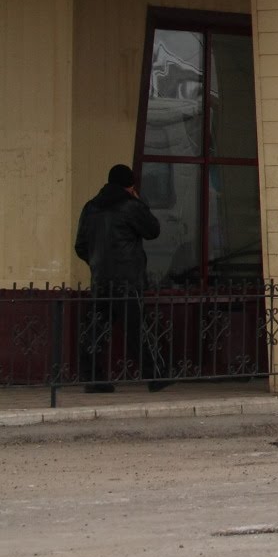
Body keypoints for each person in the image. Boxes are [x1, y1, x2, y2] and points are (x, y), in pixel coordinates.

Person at [73, 164, 167, 393]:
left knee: (96, 330)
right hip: (127, 280)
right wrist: (139, 200)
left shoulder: (91, 207)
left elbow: (81, 246)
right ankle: (154, 376)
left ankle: (94, 379)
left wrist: (97, 263)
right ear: (130, 185)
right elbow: (153, 230)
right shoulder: (131, 205)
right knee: (137, 330)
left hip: (101, 281)